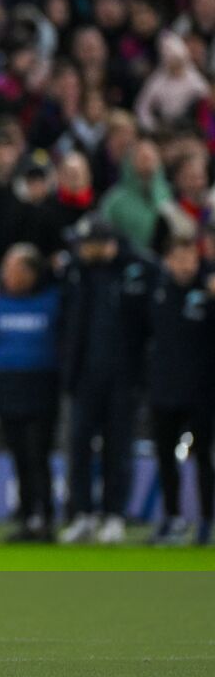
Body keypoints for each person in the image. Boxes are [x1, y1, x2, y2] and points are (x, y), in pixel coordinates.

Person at [58, 215, 153, 544]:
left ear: (104, 244)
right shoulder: (77, 273)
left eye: (87, 244)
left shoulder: (137, 271)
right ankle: (82, 514)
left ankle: (114, 515)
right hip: (84, 376)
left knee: (118, 450)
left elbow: (148, 329)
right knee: (79, 449)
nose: (81, 250)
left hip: (123, 379)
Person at [0, 242, 62, 541]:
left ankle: (44, 516)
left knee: (38, 454)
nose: (9, 275)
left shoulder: (52, 302)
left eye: (16, 269)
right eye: (7, 269)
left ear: (32, 273)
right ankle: (27, 515)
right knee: (19, 454)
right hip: (8, 387)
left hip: (41, 386)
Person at [145, 232, 214, 545]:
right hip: (164, 389)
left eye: (192, 258)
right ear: (168, 260)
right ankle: (172, 519)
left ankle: (207, 521)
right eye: (180, 257)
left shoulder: (208, 292)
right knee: (165, 458)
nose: (187, 264)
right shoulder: (156, 292)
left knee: (205, 458)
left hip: (202, 391)